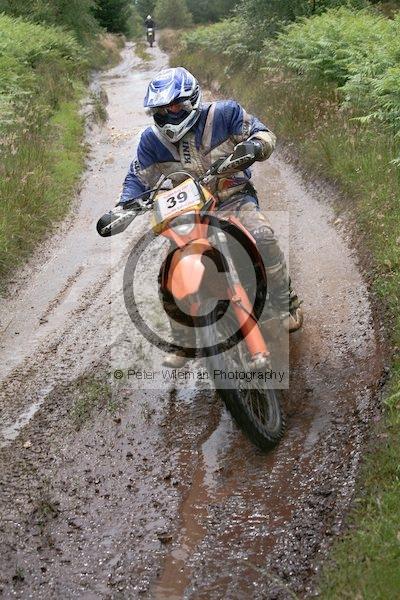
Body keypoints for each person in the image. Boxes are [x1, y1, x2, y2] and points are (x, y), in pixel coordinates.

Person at [117, 67, 303, 367]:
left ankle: (285, 303)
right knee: (170, 271)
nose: (168, 114)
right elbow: (137, 178)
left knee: (263, 236)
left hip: (233, 198)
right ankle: (184, 338)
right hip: (189, 215)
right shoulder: (151, 141)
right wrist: (123, 206)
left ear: (191, 100)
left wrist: (256, 144)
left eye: (174, 106)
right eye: (161, 110)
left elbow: (262, 133)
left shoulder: (224, 114)